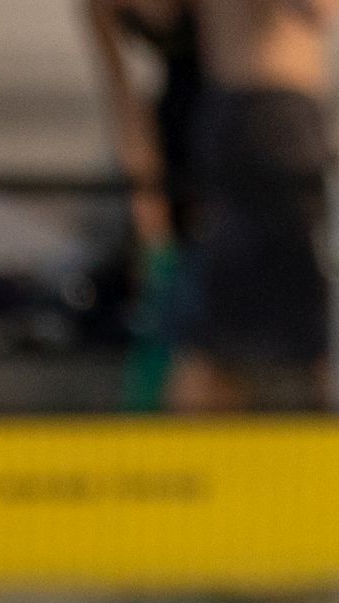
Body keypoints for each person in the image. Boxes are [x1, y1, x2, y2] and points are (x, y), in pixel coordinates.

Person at [169, 0, 336, 412]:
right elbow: (319, 10)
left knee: (226, 317)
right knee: (301, 317)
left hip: (228, 111)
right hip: (274, 113)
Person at [83, 0, 205, 407]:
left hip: (233, 126)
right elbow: (125, 104)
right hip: (174, 133)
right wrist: (150, 219)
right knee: (162, 295)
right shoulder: (101, 8)